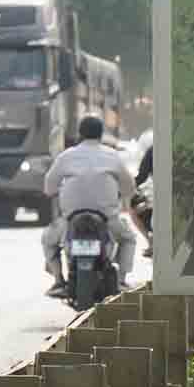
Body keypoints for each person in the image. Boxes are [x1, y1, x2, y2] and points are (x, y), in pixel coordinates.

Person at [40, 114, 138, 297]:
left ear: (80, 134)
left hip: (70, 220)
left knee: (48, 239)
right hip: (107, 219)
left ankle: (58, 280)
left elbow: (49, 186)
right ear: (101, 134)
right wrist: (124, 193)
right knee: (128, 239)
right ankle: (122, 280)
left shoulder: (66, 157)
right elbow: (129, 187)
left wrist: (56, 190)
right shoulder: (113, 156)